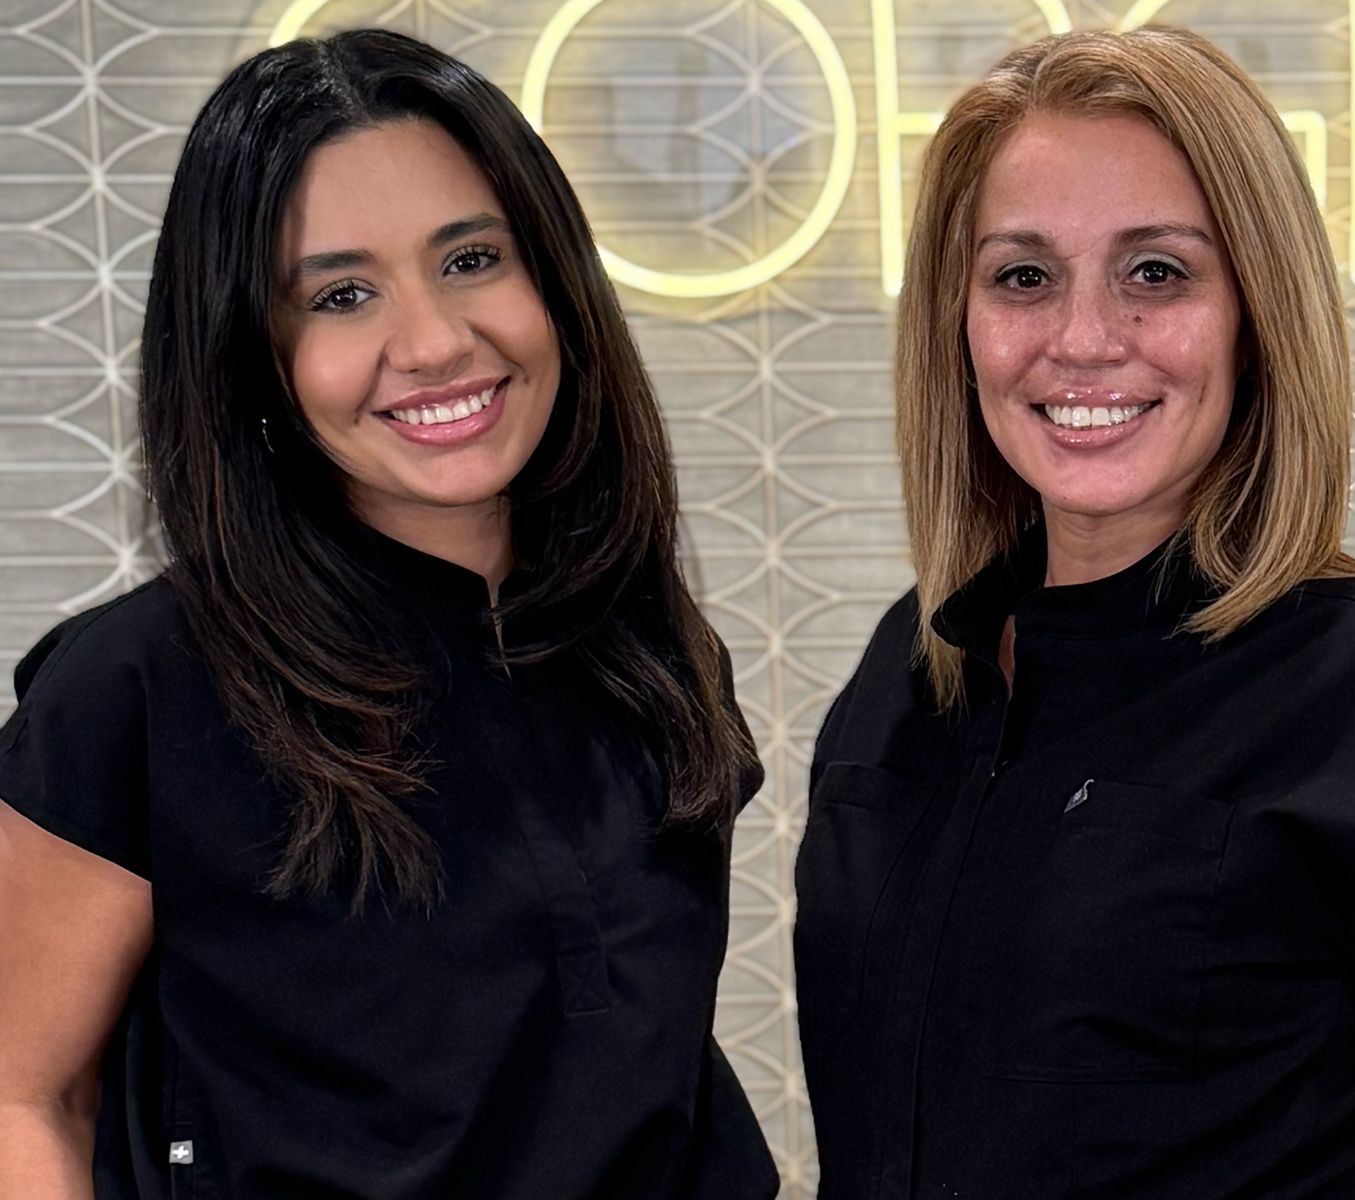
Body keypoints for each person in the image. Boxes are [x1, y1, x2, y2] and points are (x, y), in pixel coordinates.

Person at [795, 26, 1355, 1200]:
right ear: (957, 323)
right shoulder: (911, 668)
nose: (1083, 340)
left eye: (1156, 272)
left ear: (1255, 311)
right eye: (1022, 276)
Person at [0, 30, 777, 1199]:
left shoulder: (651, 646)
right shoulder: (134, 690)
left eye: (471, 259)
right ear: (253, 352)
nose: (431, 342)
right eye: (342, 294)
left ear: (554, 278)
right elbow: (22, 1094)